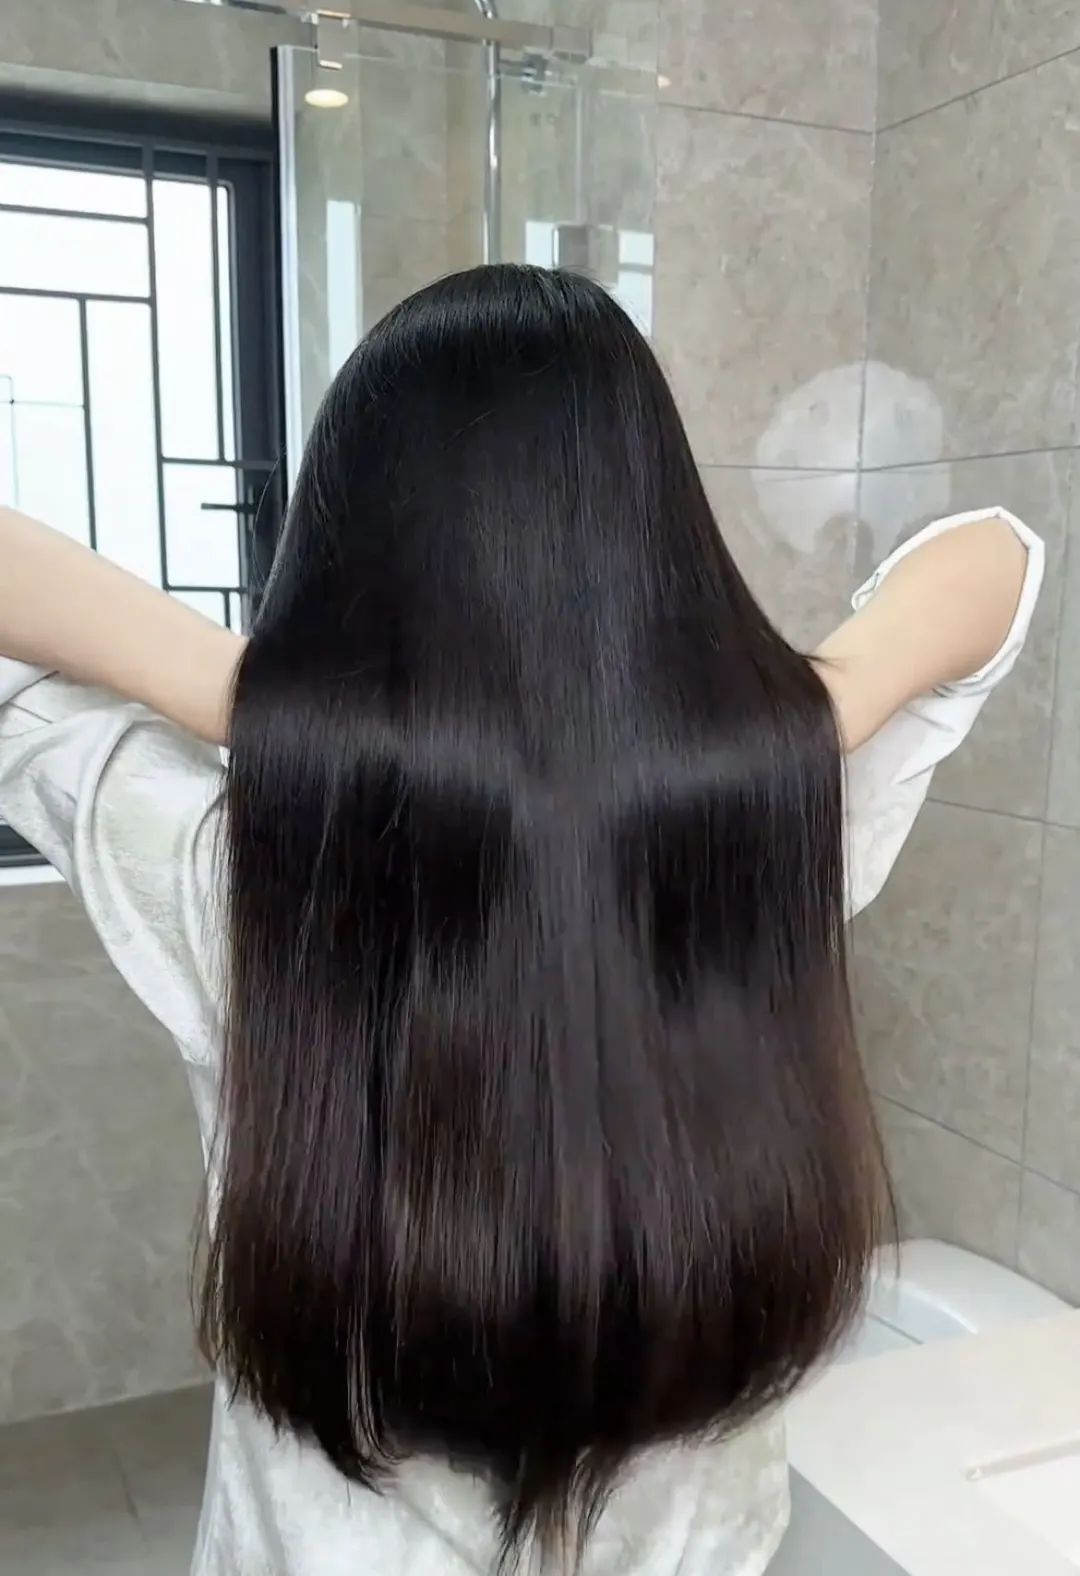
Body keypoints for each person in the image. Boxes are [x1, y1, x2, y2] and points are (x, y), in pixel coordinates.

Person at [0, 265, 1040, 1576]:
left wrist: (271, 706)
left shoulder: (238, 867)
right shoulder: (765, 831)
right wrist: (787, 727)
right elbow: (1000, 562)